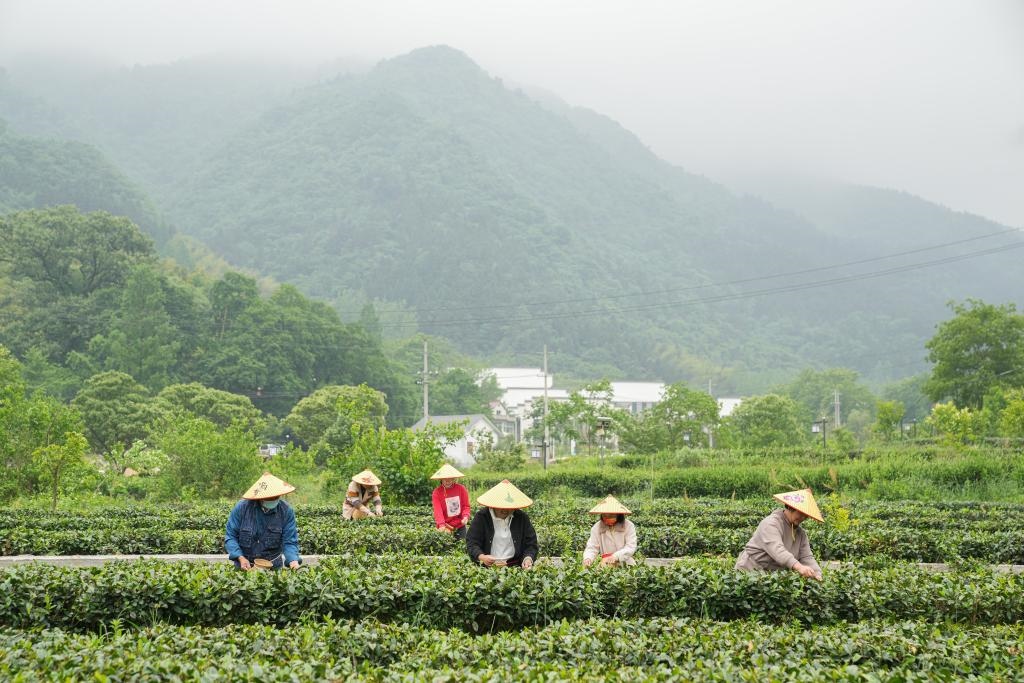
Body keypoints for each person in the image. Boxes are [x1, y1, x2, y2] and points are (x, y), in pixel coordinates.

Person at [735, 487, 823, 580]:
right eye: (801, 513)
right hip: (749, 572)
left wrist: (817, 574)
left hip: (771, 577)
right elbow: (777, 550)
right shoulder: (771, 524)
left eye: (806, 515)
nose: (803, 518)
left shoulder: (801, 534)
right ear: (791, 507)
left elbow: (807, 557)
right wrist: (799, 567)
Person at [224, 471, 301, 570]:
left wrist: (293, 561)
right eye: (269, 498)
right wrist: (240, 557)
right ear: (260, 497)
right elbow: (231, 536)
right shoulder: (242, 508)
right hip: (245, 564)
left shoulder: (286, 511)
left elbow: (290, 541)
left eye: (276, 497)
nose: (273, 500)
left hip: (273, 566)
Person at [466, 479, 538, 569]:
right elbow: (472, 542)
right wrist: (482, 557)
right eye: (501, 506)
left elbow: (531, 544)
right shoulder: (482, 517)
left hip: (515, 567)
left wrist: (527, 558)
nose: (505, 510)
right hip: (487, 567)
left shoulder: (521, 517)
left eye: (509, 507)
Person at [582, 495, 637, 567]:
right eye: (605, 516)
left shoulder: (628, 526)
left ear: (618, 514)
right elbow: (592, 547)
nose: (607, 518)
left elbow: (630, 547)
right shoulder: (597, 527)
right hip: (606, 564)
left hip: (626, 563)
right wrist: (588, 558)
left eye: (611, 515)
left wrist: (616, 556)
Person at [430, 463, 471, 540]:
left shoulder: (461, 489)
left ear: (454, 478)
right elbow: (437, 511)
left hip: (460, 525)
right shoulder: (437, 492)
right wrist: (441, 525)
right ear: (441, 479)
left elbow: (466, 506)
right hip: (445, 526)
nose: (447, 481)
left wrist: (465, 516)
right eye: (445, 479)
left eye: (450, 478)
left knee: (463, 546)